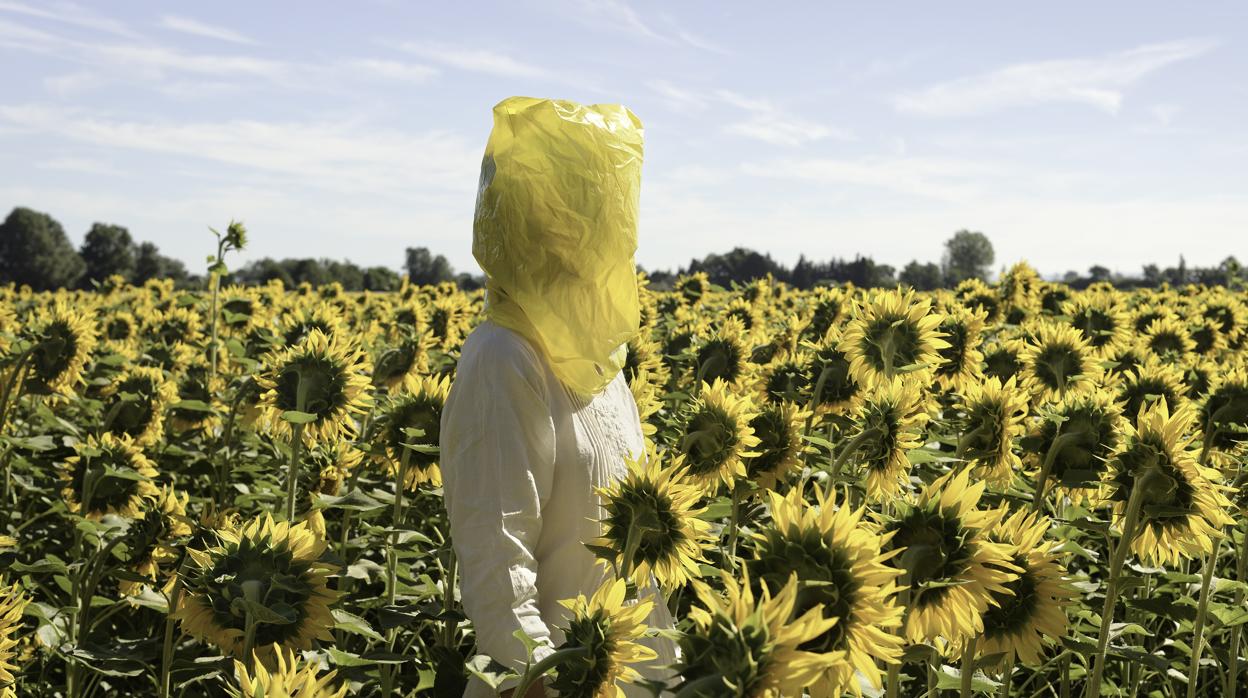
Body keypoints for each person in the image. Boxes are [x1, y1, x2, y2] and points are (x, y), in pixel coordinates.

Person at [441, 96, 676, 698]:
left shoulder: (602, 361)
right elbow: (498, 560)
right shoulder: (503, 358)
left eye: (602, 209)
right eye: (575, 210)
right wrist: (542, 677)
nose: (596, 234)